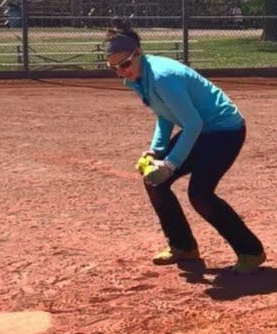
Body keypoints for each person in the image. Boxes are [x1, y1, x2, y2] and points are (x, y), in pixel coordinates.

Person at [104, 18, 266, 275]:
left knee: (200, 194)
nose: (121, 71)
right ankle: (183, 247)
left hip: (225, 131)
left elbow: (192, 124)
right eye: (114, 67)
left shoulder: (162, 77)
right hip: (202, 130)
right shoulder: (138, 76)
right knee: (153, 181)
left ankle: (251, 251)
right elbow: (165, 114)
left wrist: (170, 164)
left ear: (139, 53)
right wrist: (156, 151)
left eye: (125, 64)